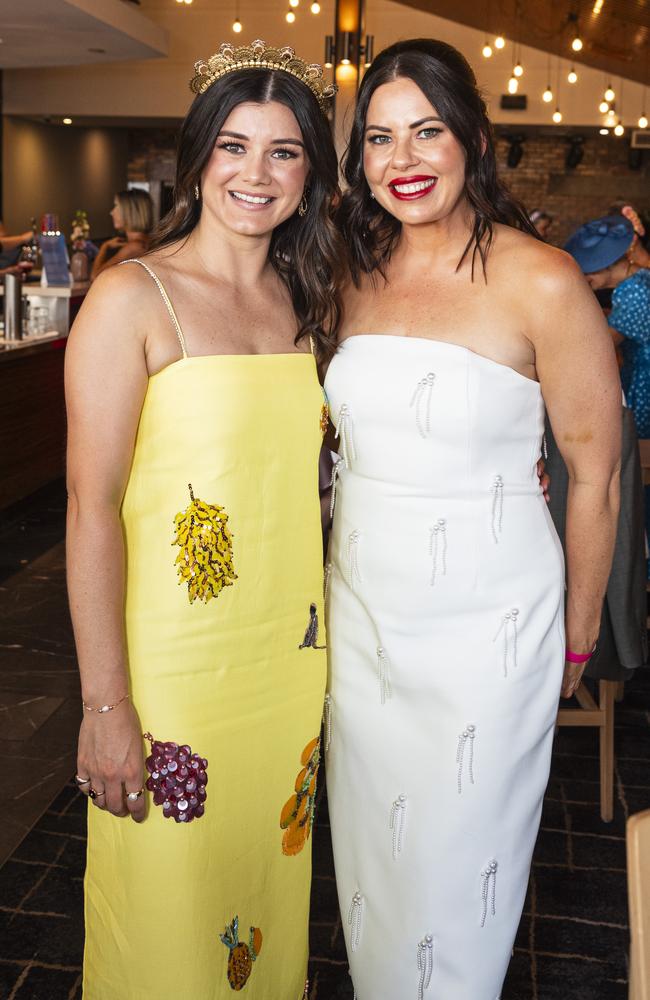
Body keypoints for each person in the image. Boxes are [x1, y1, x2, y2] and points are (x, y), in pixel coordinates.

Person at [323, 38, 621, 999]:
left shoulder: (543, 281)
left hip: (490, 641)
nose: (402, 160)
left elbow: (596, 474)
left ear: (474, 141)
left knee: (458, 891)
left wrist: (575, 642)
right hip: (364, 629)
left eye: (426, 131)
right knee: (374, 881)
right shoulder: (346, 275)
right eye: (379, 139)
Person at [66, 39, 341, 999]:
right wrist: (107, 705)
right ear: (198, 159)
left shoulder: (305, 303)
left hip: (285, 671)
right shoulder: (131, 297)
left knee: (263, 902)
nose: (255, 174)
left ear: (310, 176)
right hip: (174, 680)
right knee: (168, 930)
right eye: (234, 146)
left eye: (283, 152)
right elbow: (90, 509)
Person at [565, 215, 650, 437]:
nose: (582, 278)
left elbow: (605, 342)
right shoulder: (637, 281)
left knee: (636, 454)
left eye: (586, 270)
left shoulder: (635, 290)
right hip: (637, 372)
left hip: (643, 383)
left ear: (606, 263)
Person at [90, 188, 154, 278]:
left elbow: (95, 276)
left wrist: (104, 246)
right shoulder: (146, 241)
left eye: (116, 206)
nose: (111, 212)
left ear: (129, 211)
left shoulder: (135, 246)